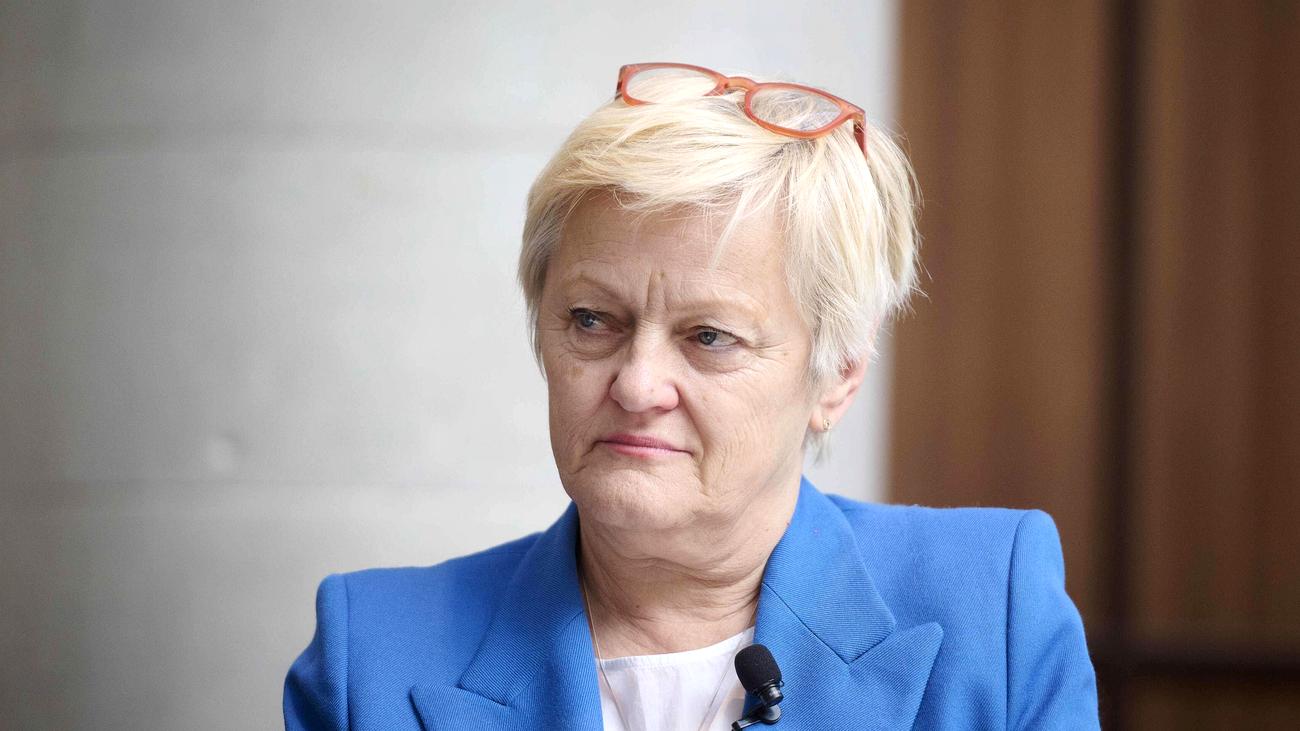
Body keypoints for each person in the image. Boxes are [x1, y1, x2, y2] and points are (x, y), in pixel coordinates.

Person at [283, 62, 1099, 730]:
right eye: (593, 319)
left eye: (710, 336)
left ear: (839, 374)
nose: (637, 385)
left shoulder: (991, 610)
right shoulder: (372, 653)